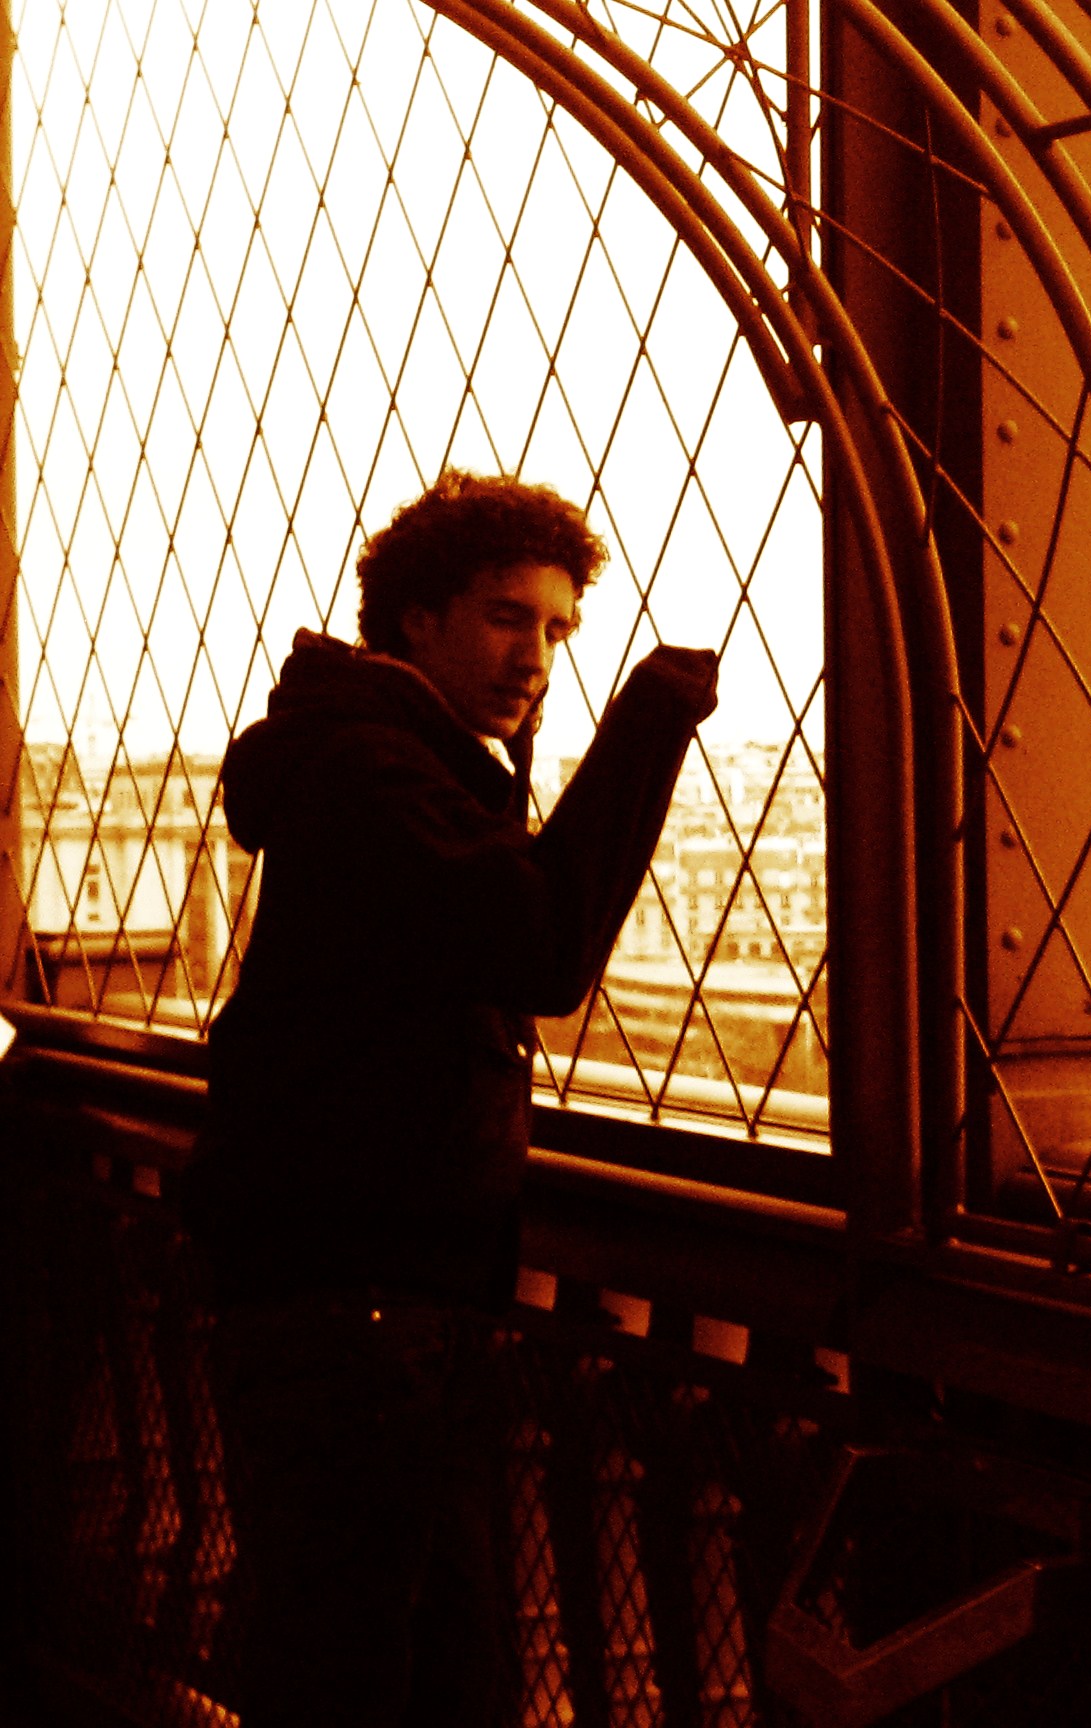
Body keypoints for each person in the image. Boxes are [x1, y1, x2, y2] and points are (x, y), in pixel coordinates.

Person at [182, 469, 719, 1727]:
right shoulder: (375, 778)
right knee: (389, 1667)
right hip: (367, 1313)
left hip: (343, 1305)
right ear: (414, 620)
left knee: (364, 1654)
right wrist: (647, 722)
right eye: (505, 617)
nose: (536, 659)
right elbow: (540, 947)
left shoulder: (362, 765)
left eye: (557, 631)